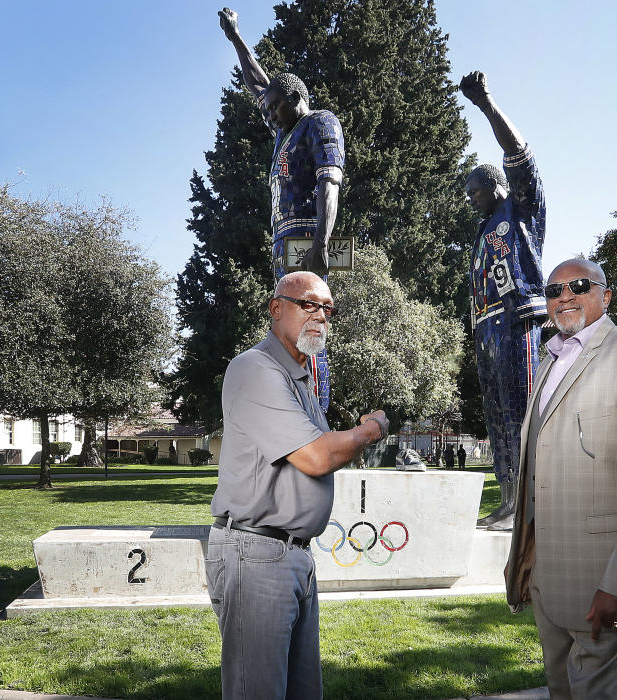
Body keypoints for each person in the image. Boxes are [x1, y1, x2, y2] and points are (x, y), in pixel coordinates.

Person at [505, 258, 617, 699]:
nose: (564, 296)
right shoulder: (550, 362)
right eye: (553, 291)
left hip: (609, 589)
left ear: (605, 296)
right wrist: (525, 561)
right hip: (551, 587)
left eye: (578, 286)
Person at [206, 271, 388, 699]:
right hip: (256, 554)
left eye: (327, 309)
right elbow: (317, 456)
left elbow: (323, 450)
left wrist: (348, 439)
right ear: (276, 309)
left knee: (303, 692)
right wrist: (371, 429)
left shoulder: (301, 379)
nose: (320, 316)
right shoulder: (255, 368)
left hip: (292, 555)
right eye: (308, 304)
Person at [219, 7, 345, 412]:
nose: (270, 114)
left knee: (309, 326)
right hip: (282, 240)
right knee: (284, 330)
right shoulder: (282, 135)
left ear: (295, 98)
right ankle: (293, 410)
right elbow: (258, 82)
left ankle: (315, 413)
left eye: (275, 107)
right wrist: (237, 38)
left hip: (309, 235)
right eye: (267, 110)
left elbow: (331, 179)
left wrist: (322, 242)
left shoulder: (319, 123)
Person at [459, 71, 548, 531]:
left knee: (520, 412)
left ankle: (529, 503)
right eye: (468, 193)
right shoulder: (481, 234)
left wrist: (486, 105)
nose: (472, 199)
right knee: (497, 419)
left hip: (517, 323)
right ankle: (509, 498)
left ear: (498, 186)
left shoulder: (521, 210)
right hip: (486, 328)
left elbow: (520, 156)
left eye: (477, 190)